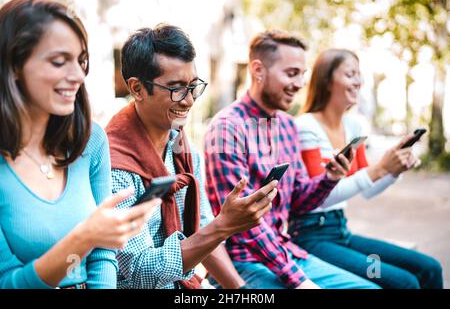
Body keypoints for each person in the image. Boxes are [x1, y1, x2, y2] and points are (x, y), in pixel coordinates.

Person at [0, 0, 161, 289]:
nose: (77, 75)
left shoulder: (90, 142)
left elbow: (102, 257)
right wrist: (85, 236)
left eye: (80, 60)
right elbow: (8, 282)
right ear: (13, 65)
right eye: (59, 61)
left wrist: (96, 240)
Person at [204, 30, 380, 289]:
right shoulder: (226, 129)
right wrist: (299, 281)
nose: (299, 84)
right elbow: (244, 224)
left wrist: (329, 178)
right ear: (258, 70)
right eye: (291, 73)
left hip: (286, 254)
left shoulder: (287, 125)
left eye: (302, 75)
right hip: (243, 264)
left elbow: (299, 202)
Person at [106, 24, 277, 289]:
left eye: (193, 86)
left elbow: (203, 229)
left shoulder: (183, 149)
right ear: (137, 89)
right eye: (176, 89)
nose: (188, 101)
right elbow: (139, 271)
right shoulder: (113, 165)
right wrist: (224, 226)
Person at [288, 48, 443, 289]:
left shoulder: (353, 126)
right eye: (350, 74)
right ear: (327, 81)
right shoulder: (306, 127)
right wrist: (379, 169)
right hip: (312, 238)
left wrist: (393, 170)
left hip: (341, 233)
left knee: (429, 268)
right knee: (404, 283)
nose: (358, 82)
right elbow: (318, 199)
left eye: (359, 75)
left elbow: (367, 190)